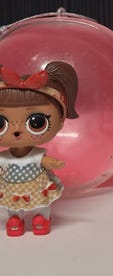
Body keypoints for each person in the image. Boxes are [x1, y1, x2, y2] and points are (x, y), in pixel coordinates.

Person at [0, 61, 79, 236]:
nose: (17, 131)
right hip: (11, 189)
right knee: (12, 207)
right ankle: (15, 219)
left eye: (37, 122)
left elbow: (45, 161)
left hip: (37, 185)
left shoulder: (35, 155)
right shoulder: (4, 158)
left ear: (60, 121)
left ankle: (42, 218)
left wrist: (53, 163)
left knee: (42, 204)